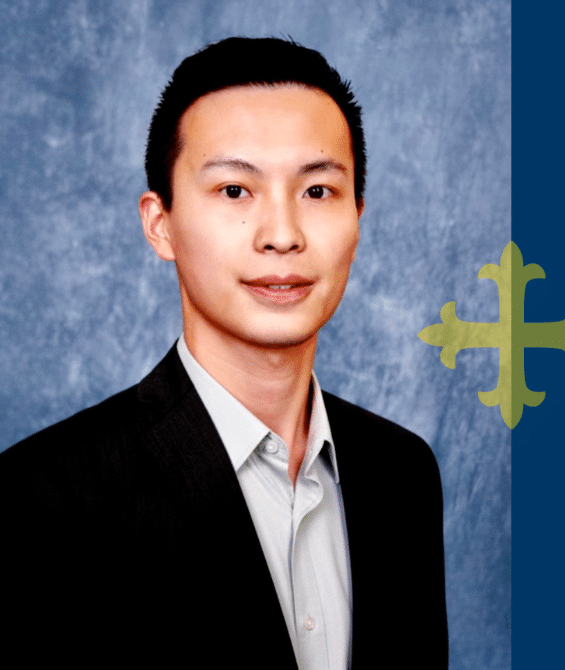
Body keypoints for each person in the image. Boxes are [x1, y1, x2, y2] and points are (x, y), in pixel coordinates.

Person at [0, 37, 447, 669]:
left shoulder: (400, 472)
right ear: (161, 224)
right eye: (235, 191)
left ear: (358, 216)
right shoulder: (44, 496)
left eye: (317, 191)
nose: (283, 235)